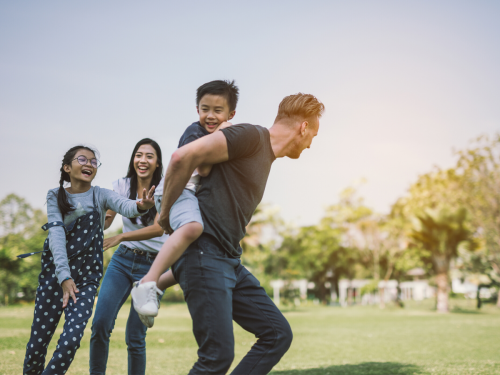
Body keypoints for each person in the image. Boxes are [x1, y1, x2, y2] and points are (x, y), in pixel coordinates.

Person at [155, 93, 324, 374]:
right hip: (205, 252)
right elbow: (182, 155)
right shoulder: (251, 136)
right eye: (313, 136)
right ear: (303, 127)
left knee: (277, 334)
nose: (310, 145)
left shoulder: (265, 155)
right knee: (216, 357)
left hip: (229, 261)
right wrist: (165, 213)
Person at [19, 145, 155, 375]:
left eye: (93, 162)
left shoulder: (100, 195)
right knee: (37, 345)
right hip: (56, 276)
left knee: (71, 341)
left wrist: (141, 206)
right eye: (82, 159)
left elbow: (126, 206)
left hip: (86, 281)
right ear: (67, 167)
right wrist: (64, 276)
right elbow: (56, 236)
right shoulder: (55, 196)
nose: (89, 164)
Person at [131, 80, 238, 319]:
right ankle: (147, 283)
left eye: (217, 111)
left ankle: (156, 287)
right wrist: (222, 132)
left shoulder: (218, 135)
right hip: (177, 190)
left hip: (188, 194)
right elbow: (204, 169)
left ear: (230, 113)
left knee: (198, 259)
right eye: (204, 109)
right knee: (192, 227)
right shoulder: (195, 132)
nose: (210, 116)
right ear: (197, 109)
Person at [89, 138, 172, 375]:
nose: (142, 160)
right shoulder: (121, 186)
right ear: (133, 159)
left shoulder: (166, 188)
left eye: (149, 156)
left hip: (154, 267)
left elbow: (159, 228)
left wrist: (121, 237)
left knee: (135, 335)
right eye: (138, 155)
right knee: (100, 324)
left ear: (157, 163)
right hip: (122, 261)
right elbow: (107, 221)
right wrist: (92, 219)